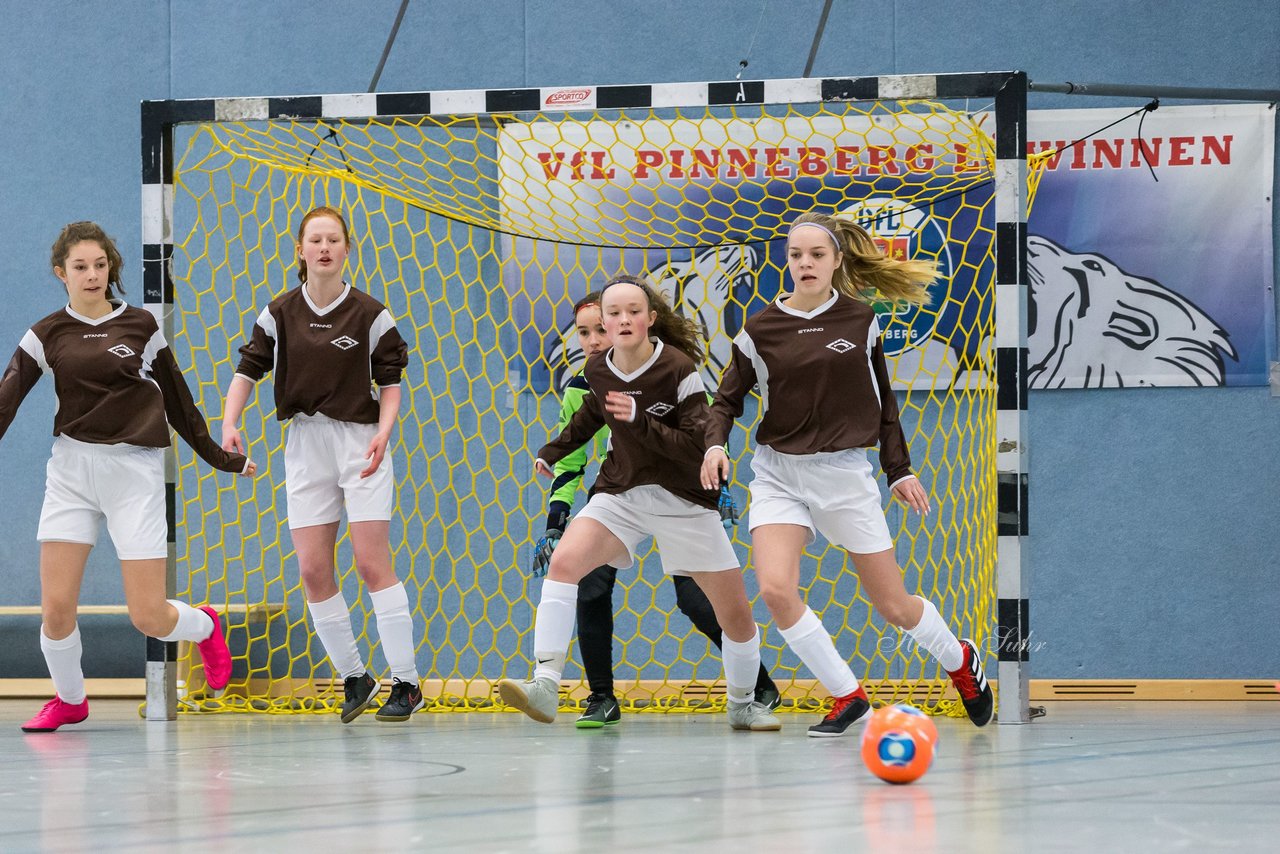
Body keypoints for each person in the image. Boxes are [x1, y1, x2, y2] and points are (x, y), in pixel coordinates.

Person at [701, 211, 995, 737]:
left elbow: (885, 404)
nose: (805, 263)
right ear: (785, 261)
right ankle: (847, 695)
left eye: (817, 254)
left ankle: (959, 661)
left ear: (837, 260)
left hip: (843, 474)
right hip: (778, 474)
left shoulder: (861, 321)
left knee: (895, 607)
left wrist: (897, 469)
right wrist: (714, 445)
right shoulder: (759, 329)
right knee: (775, 590)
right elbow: (724, 401)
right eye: (796, 255)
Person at [0, 221, 255, 733]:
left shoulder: (140, 326)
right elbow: (6, 400)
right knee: (54, 611)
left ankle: (204, 626)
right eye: (80, 267)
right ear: (61, 273)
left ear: (111, 268)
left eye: (100, 265)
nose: (92, 275)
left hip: (133, 471)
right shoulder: (44, 335)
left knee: (149, 616)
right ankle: (70, 700)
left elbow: (180, 404)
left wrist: (219, 457)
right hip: (71, 470)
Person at [500, 275, 780, 732]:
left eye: (633, 311)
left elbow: (695, 441)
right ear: (603, 323)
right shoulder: (598, 371)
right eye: (614, 313)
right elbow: (591, 417)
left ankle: (744, 702)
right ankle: (546, 685)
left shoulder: (677, 368)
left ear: (650, 319)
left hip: (684, 499)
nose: (623, 319)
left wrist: (646, 424)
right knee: (565, 564)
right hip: (621, 494)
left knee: (737, 618)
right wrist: (551, 451)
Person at [221, 205, 421, 723]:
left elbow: (392, 383)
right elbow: (248, 370)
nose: (325, 247)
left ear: (347, 249)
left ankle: (407, 681)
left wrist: (384, 430)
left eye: (334, 239)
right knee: (312, 569)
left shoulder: (372, 314)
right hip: (304, 443)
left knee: (371, 562)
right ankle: (355, 676)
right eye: (316, 240)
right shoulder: (279, 312)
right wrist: (230, 421)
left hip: (361, 443)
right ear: (301, 250)